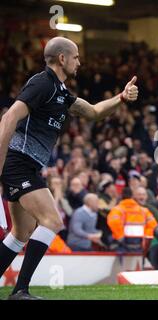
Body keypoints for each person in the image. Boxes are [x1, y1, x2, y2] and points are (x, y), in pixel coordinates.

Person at [0, 36, 138, 299]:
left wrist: (121, 97)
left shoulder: (61, 93)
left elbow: (95, 112)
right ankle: (21, 291)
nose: (79, 62)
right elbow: (8, 118)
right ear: (62, 59)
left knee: (21, 232)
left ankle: (19, 290)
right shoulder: (42, 83)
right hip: (19, 162)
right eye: (75, 57)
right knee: (52, 220)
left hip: (27, 166)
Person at [107, 187, 157, 252]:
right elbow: (153, 225)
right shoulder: (144, 211)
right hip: (139, 244)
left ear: (121, 196)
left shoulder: (117, 210)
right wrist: (145, 240)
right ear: (132, 196)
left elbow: (113, 223)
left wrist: (120, 238)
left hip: (123, 246)